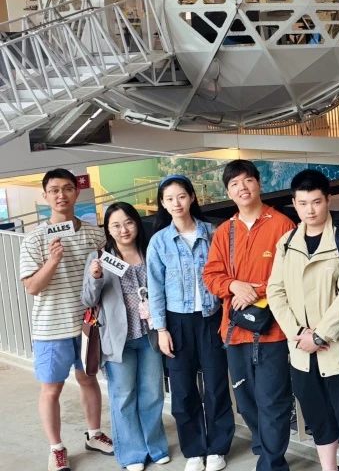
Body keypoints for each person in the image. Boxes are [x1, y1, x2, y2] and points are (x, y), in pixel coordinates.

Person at [267, 169, 339, 471]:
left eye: (316, 202)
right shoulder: (287, 242)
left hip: (338, 351)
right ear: (294, 204)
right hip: (301, 351)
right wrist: (298, 332)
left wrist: (320, 335)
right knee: (319, 420)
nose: (310, 210)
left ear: (328, 200)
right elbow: (275, 291)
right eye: (302, 203)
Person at [202, 160, 295, 471]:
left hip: (273, 331)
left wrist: (255, 290)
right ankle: (264, 449)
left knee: (273, 400)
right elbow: (211, 276)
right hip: (235, 329)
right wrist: (233, 285)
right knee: (245, 400)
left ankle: (271, 463)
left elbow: (291, 276)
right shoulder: (224, 232)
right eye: (234, 184)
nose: (242, 188)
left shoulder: (282, 225)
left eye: (247, 180)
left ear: (259, 183)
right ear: (228, 192)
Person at [19, 168, 114, 471]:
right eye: (55, 190)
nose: (61, 195)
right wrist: (52, 261)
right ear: (45, 195)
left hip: (88, 324)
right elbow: (32, 287)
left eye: (68, 189)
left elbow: (107, 274)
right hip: (51, 327)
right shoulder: (34, 239)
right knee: (51, 388)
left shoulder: (94, 233)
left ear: (77, 192)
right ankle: (56, 448)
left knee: (89, 379)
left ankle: (94, 433)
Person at [147, 175, 234, 471]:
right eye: (169, 199)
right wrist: (161, 329)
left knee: (216, 385)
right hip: (176, 322)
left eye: (181, 196)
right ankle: (194, 450)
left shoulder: (212, 232)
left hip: (211, 318)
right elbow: (155, 288)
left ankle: (218, 447)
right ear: (162, 203)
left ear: (192, 197)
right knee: (183, 390)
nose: (176, 203)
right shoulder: (159, 241)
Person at [82, 202, 169, 471]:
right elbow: (88, 299)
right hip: (118, 339)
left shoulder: (149, 250)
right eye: (116, 225)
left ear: (136, 223)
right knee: (123, 397)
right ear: (108, 229)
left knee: (152, 394)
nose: (124, 230)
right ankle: (132, 453)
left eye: (129, 222)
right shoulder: (100, 257)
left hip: (150, 335)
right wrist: (95, 277)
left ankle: (155, 447)